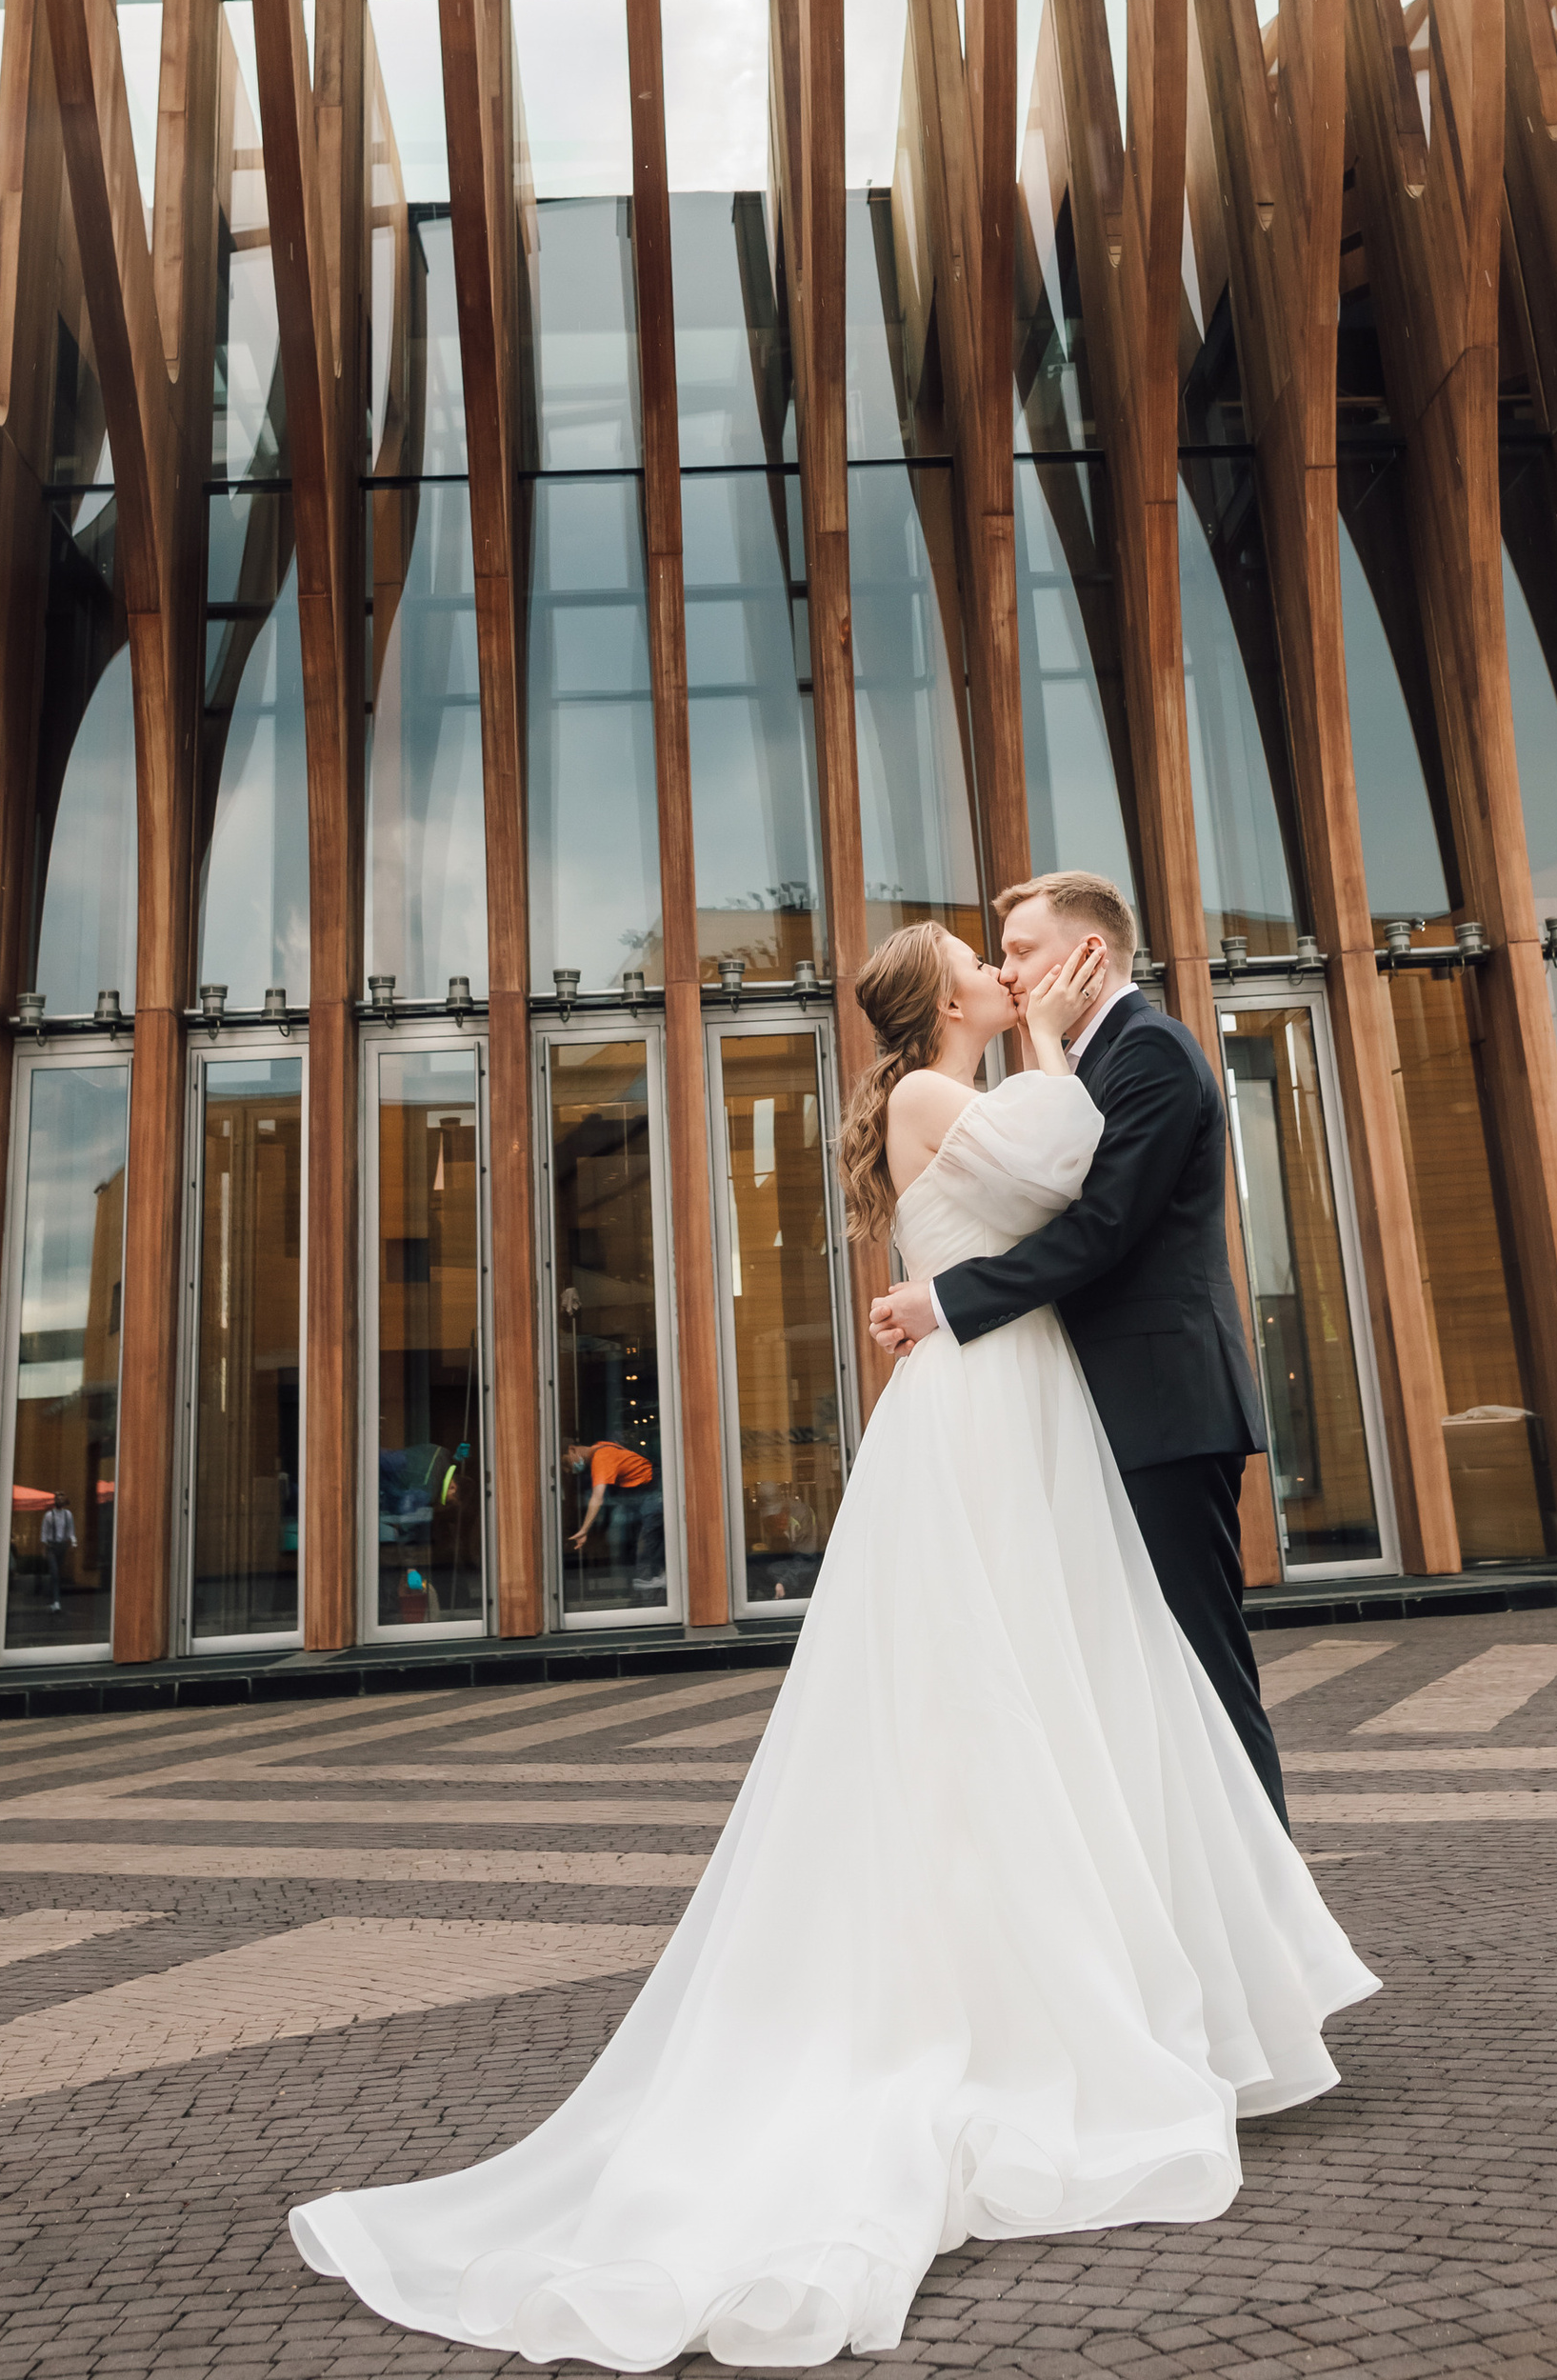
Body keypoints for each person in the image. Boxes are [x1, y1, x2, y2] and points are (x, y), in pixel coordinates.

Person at [289, 910, 1374, 2369]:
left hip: (1016, 1392)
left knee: (1065, 1686)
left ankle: (1144, 1969)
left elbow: (1069, 1192)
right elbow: (1067, 1173)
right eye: (976, 956)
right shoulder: (945, 1092)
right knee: (1008, 1685)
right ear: (936, 999)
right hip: (991, 1411)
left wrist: (972, 1217)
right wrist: (1050, 1037)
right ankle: (1078, 1994)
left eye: (1016, 948)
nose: (1002, 966)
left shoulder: (969, 1090)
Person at [870, 870, 1287, 1821]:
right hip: (1088, 1410)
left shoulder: (1148, 1055)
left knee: (1200, 1670)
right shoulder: (1064, 1067)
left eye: (1020, 949)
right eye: (999, 955)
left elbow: (1102, 1230)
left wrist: (945, 1300)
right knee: (1133, 1677)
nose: (1009, 970)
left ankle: (1268, 1908)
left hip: (1162, 1407)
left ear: (1089, 952)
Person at [564, 1435, 663, 1595]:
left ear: (572, 1450)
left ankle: (649, 1587)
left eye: (568, 1464)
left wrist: (584, 1530)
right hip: (645, 1493)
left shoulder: (601, 1458)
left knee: (647, 1541)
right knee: (642, 1539)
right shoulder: (600, 1446)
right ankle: (651, 1581)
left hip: (653, 1491)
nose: (572, 1470)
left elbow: (598, 1497)